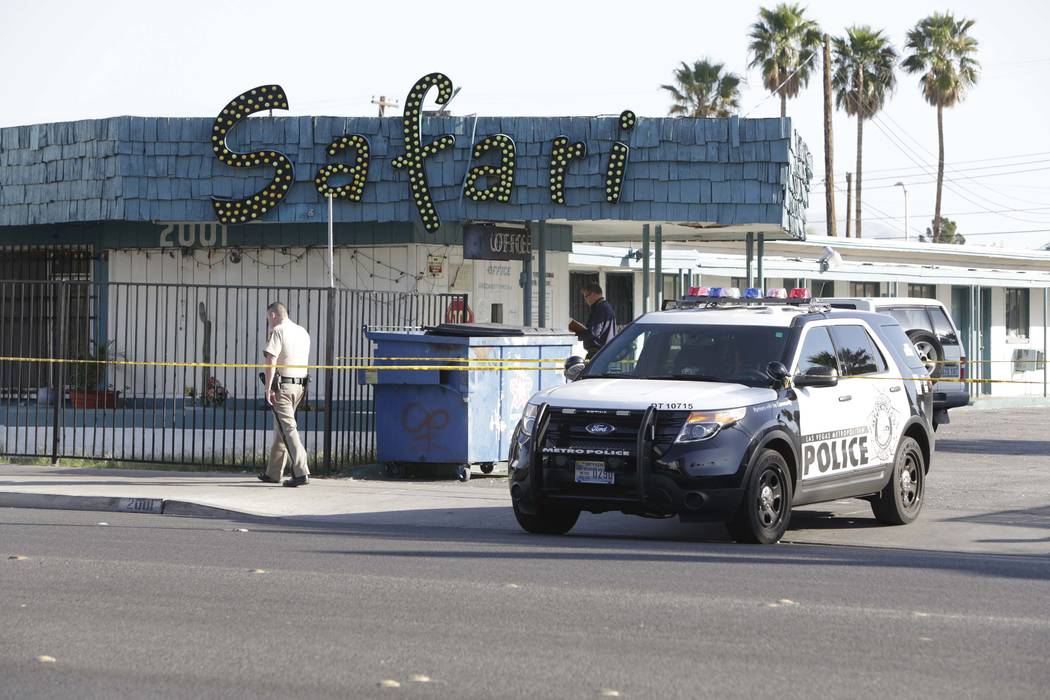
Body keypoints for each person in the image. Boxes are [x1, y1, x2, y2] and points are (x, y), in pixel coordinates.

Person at [258, 302, 312, 487]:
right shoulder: (302, 332)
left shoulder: (278, 331)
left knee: (288, 428)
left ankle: (301, 471)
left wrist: (268, 387)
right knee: (281, 426)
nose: (269, 323)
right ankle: (273, 473)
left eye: (268, 319)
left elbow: (270, 359)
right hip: (300, 387)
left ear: (273, 315)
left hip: (283, 386)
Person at [570, 282, 617, 358]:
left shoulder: (599, 308)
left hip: (598, 353)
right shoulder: (606, 306)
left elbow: (594, 332)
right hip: (606, 351)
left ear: (593, 294)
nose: (585, 300)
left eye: (586, 296)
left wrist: (576, 335)